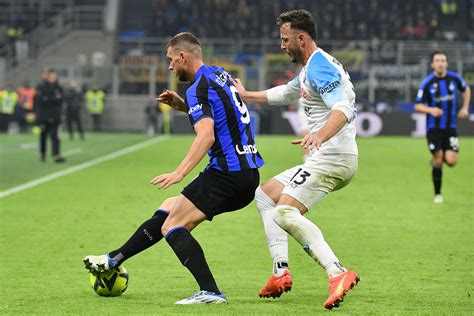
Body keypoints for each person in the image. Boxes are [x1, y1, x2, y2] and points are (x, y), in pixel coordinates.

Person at [83, 32, 264, 304]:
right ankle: (114, 258)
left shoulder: (197, 89)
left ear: (182, 56)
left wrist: (179, 173)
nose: (169, 66)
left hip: (228, 174)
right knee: (169, 206)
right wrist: (184, 106)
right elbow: (223, 110)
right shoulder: (219, 75)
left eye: (170, 60)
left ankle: (211, 291)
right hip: (246, 171)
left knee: (173, 225)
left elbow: (207, 136)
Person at [231, 10, 359, 310]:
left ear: (301, 38)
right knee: (265, 196)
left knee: (284, 212)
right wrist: (248, 95)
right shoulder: (310, 67)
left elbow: (343, 108)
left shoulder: (320, 68)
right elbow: (287, 94)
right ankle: (280, 272)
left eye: (285, 39)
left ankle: (337, 271)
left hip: (332, 155)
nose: (282, 45)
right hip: (330, 154)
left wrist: (320, 136)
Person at [414, 51, 471, 204]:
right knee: (439, 161)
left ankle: (435, 159)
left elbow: (466, 90)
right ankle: (437, 194)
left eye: (443, 60)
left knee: (451, 162)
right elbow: (418, 105)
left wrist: (465, 108)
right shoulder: (427, 83)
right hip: (433, 129)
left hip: (450, 127)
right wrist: (431, 110)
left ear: (446, 63)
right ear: (432, 64)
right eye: (437, 60)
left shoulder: (455, 78)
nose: (440, 63)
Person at [36, 69, 65, 163]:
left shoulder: (59, 88)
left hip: (56, 116)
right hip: (44, 116)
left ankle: (56, 154)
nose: (53, 78)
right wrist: (53, 99)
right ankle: (42, 154)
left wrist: (49, 99)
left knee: (55, 136)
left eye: (54, 76)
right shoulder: (41, 87)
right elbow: (41, 100)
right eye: (51, 76)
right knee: (43, 136)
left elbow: (60, 100)